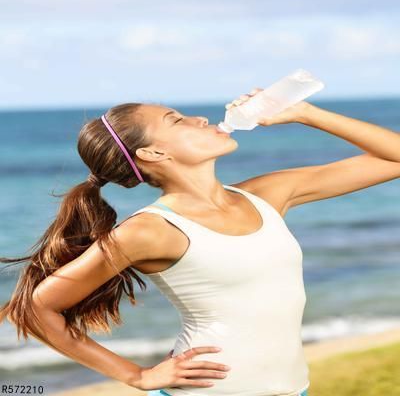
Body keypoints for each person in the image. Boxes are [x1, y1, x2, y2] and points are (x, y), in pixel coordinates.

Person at [1, 89, 399, 396]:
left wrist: (305, 113)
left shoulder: (267, 195)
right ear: (153, 152)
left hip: (294, 388)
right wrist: (137, 375)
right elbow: (36, 308)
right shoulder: (150, 230)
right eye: (176, 120)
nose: (200, 118)